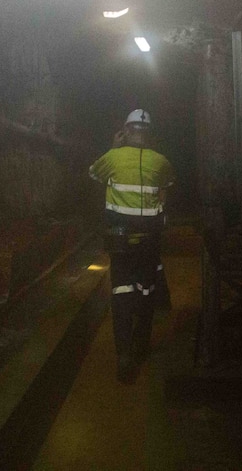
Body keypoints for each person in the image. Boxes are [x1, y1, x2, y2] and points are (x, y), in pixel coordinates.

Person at [89, 109, 174, 383]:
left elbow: (93, 175)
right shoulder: (161, 161)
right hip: (149, 242)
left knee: (121, 293)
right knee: (146, 291)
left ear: (125, 131)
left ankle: (124, 353)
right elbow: (169, 183)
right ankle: (141, 345)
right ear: (149, 135)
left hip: (121, 242)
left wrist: (114, 147)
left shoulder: (112, 158)